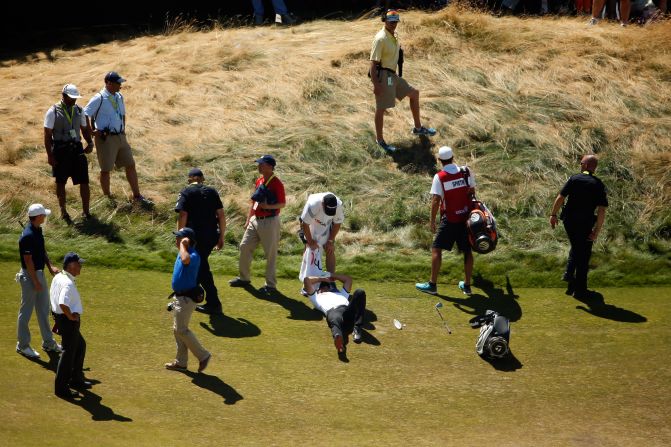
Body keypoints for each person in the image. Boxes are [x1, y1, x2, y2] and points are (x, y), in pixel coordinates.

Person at [369, 9, 436, 153]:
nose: (393, 24)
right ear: (384, 20)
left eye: (395, 22)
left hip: (392, 76)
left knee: (414, 93)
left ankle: (418, 128)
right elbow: (373, 64)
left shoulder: (393, 35)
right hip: (383, 76)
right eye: (391, 21)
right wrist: (376, 84)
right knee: (381, 108)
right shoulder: (380, 38)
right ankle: (380, 140)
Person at [83, 71, 152, 207]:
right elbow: (85, 114)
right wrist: (92, 132)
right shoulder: (99, 98)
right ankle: (108, 198)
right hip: (106, 139)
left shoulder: (119, 96)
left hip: (120, 136)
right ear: (109, 83)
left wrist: (123, 130)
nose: (120, 85)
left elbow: (123, 114)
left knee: (131, 164)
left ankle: (137, 196)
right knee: (106, 170)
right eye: (118, 83)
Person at [416, 146, 476, 296]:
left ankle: (432, 285)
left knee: (436, 249)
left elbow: (436, 200)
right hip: (466, 219)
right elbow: (472, 192)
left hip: (449, 220)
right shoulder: (466, 171)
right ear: (453, 157)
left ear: (439, 160)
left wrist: (432, 221)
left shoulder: (440, 176)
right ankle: (467, 286)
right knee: (467, 252)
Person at [550, 154, 608, 299]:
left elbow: (560, 197)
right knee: (583, 251)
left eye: (581, 163)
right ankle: (577, 285)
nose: (580, 165)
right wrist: (596, 231)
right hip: (586, 223)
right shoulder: (598, 184)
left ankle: (572, 283)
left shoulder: (574, 179)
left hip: (569, 221)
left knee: (578, 248)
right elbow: (601, 210)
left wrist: (553, 215)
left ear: (587, 165)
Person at [229, 155, 286, 294]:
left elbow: (282, 203)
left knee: (270, 254)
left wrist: (267, 206)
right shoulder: (259, 180)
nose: (259, 166)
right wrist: (249, 218)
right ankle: (244, 278)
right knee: (244, 246)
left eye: (262, 164)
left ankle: (270, 285)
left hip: (270, 221)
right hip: (256, 220)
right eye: (259, 164)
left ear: (270, 167)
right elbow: (255, 202)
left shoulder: (276, 183)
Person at [175, 168, 227, 315]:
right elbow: (221, 215)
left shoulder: (186, 192)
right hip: (211, 236)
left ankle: (213, 302)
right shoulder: (212, 191)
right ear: (202, 179)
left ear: (190, 179)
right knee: (199, 265)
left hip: (195, 237)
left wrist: (180, 237)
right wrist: (221, 237)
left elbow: (183, 214)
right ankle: (192, 294)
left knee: (202, 267)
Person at [16, 204, 62, 359]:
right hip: (30, 277)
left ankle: (48, 342)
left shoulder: (37, 230)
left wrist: (50, 266)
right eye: (44, 215)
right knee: (26, 312)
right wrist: (35, 281)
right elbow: (28, 261)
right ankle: (23, 345)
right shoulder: (27, 235)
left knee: (43, 309)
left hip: (38, 274)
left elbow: (41, 251)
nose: (45, 217)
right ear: (38, 217)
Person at [43, 84, 94, 223]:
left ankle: (86, 212)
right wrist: (50, 155)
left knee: (84, 181)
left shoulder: (79, 110)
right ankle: (63, 211)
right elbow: (47, 135)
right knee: (61, 182)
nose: (74, 100)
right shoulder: (52, 111)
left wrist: (89, 142)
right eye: (72, 98)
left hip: (77, 149)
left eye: (76, 98)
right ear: (64, 96)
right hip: (60, 150)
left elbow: (84, 129)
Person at [165, 227, 212, 373]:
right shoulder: (183, 252)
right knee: (177, 330)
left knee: (181, 330)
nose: (176, 239)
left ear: (187, 241)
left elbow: (186, 260)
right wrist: (183, 246)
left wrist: (184, 245)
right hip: (180, 297)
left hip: (186, 298)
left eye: (179, 237)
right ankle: (181, 363)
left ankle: (203, 356)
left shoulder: (192, 254)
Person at [50, 252, 91, 399]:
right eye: (79, 264)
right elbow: (62, 302)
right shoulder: (67, 283)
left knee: (80, 346)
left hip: (61, 318)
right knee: (68, 353)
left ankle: (76, 379)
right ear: (71, 265)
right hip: (68, 321)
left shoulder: (59, 277)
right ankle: (61, 388)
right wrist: (71, 316)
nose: (81, 266)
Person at [303, 272, 366, 358]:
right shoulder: (316, 298)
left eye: (327, 286)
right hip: (333, 312)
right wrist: (321, 279)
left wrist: (331, 275)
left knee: (360, 292)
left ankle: (357, 328)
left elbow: (348, 279)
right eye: (323, 286)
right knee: (335, 321)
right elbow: (306, 280)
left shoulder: (340, 294)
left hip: (347, 311)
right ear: (319, 289)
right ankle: (339, 342)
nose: (326, 288)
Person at [298, 192, 345, 280]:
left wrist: (330, 241)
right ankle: (307, 279)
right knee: (309, 248)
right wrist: (310, 241)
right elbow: (305, 224)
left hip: (327, 224)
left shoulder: (338, 205)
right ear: (322, 204)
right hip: (311, 223)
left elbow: (337, 223)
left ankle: (331, 281)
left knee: (330, 249)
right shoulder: (312, 204)